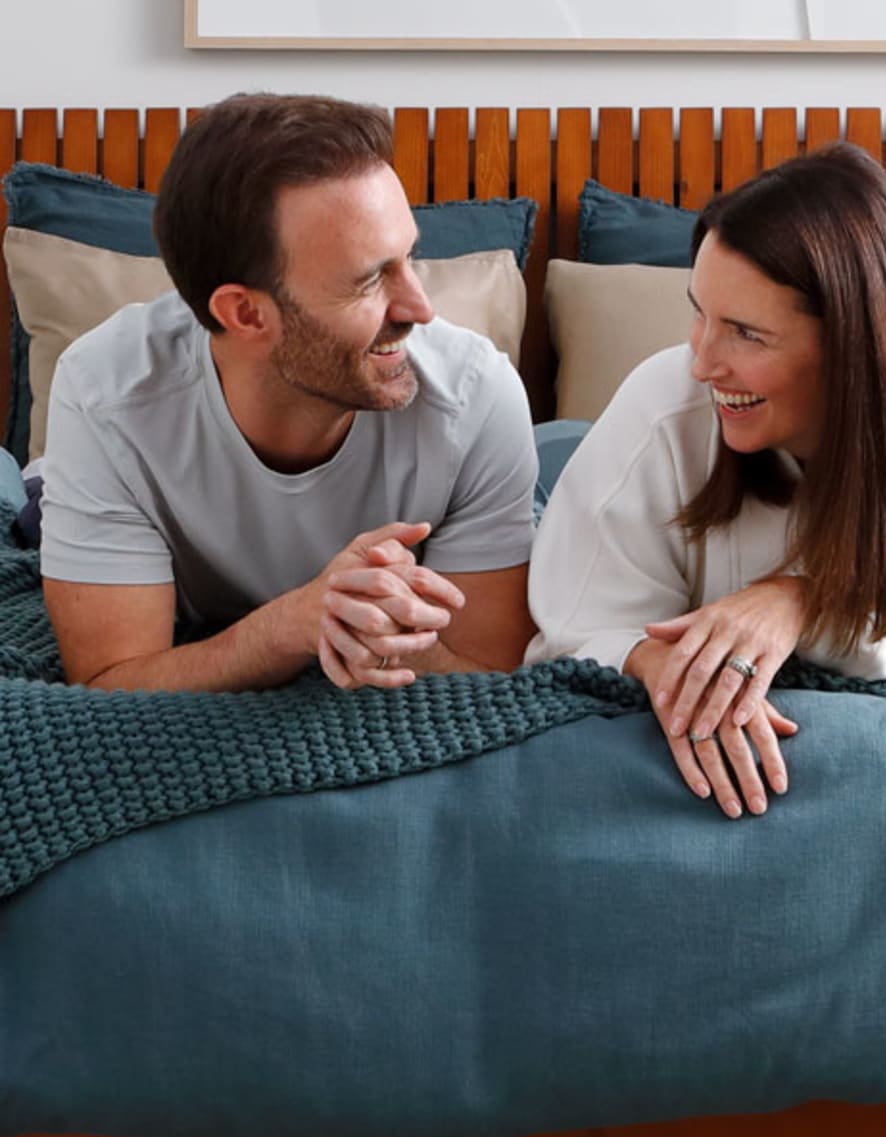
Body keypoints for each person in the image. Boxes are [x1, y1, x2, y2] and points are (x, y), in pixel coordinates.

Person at [525, 55, 886, 822]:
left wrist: (803, 603)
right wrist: (662, 665)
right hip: (593, 442)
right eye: (699, 311)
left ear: (852, 343)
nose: (700, 360)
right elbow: (577, 623)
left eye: (745, 332)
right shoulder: (667, 396)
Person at [37, 93, 538, 694]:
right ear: (245, 313)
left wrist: (376, 638)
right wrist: (296, 623)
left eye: (411, 258)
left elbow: (488, 676)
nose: (420, 308)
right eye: (370, 279)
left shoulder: (478, 397)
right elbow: (109, 683)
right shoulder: (105, 397)